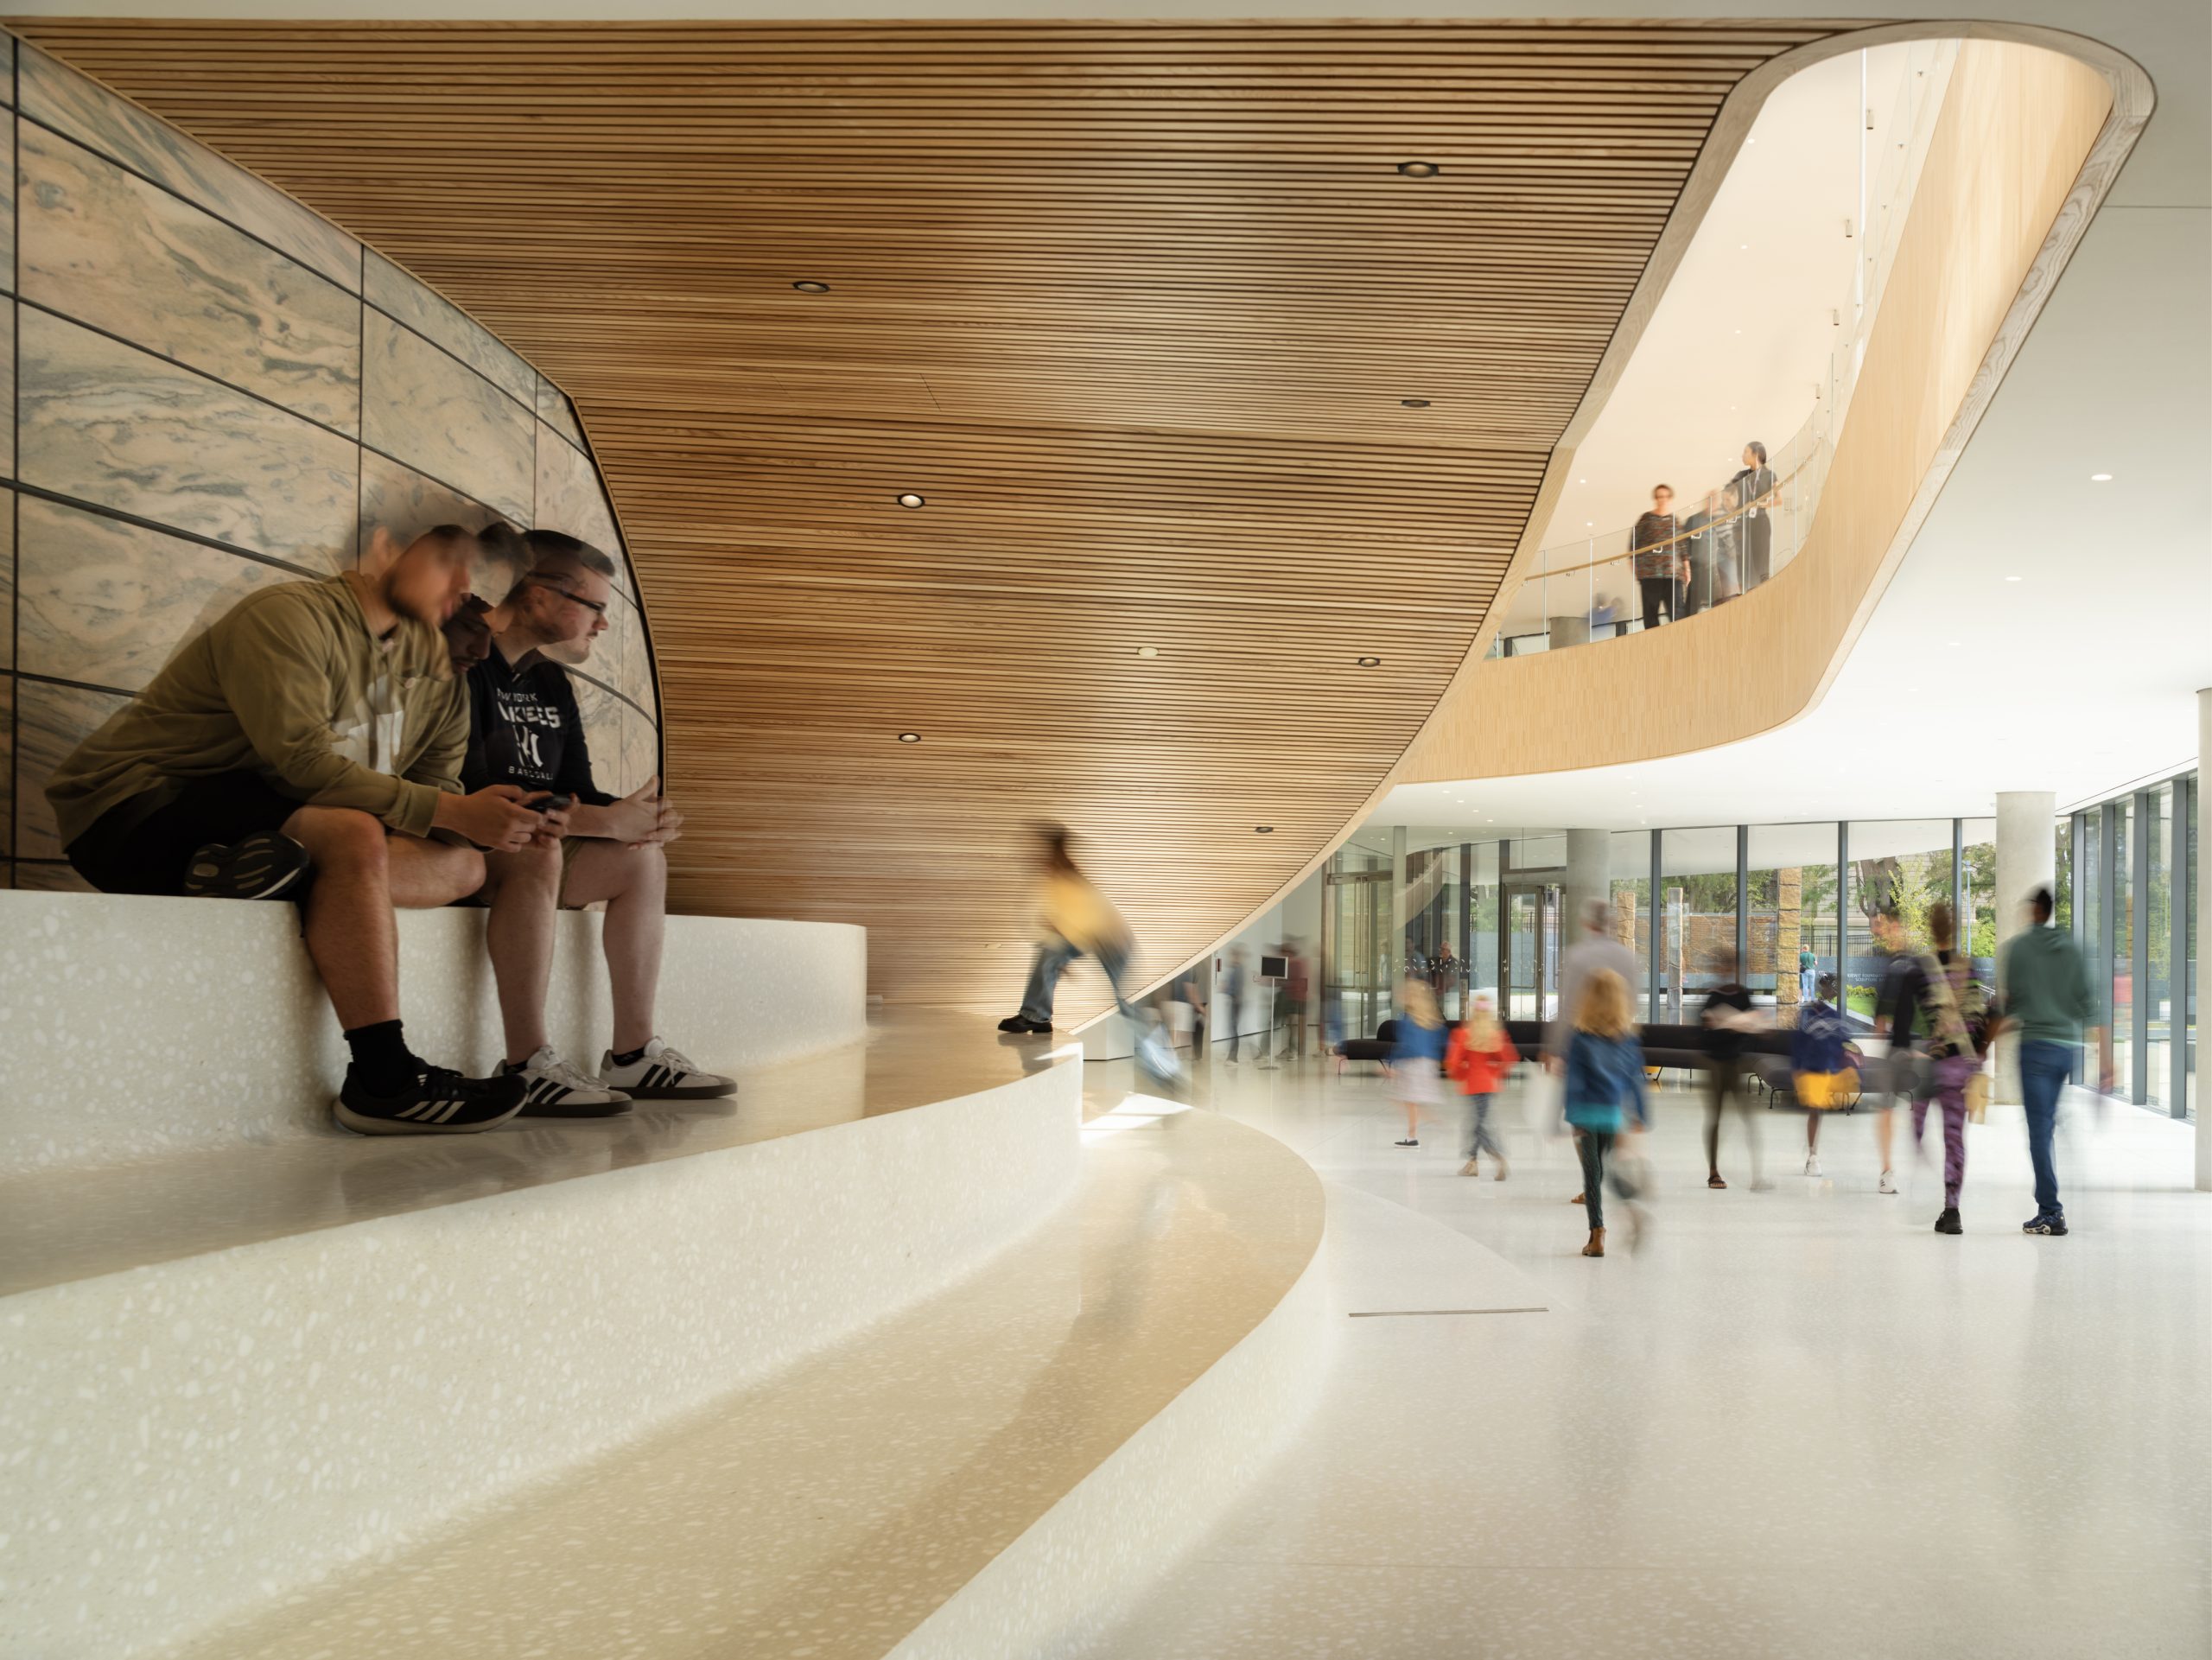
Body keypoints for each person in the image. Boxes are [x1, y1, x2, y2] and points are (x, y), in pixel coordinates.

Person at [46, 526, 541, 1135]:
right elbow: (301, 765)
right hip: (136, 808)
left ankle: (287, 875)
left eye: (492, 623)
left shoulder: (440, 683)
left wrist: (491, 821)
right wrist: (450, 813)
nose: (482, 645)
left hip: (256, 821)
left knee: (466, 865)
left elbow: (437, 801)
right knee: (354, 833)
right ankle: (383, 1079)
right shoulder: (291, 617)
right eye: (467, 613)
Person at [461, 531, 733, 1112]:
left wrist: (637, 821)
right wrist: (608, 820)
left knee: (642, 861)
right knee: (538, 843)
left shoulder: (552, 681)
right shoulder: (466, 662)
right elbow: (467, 793)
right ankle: (527, 1063)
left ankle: (633, 1055)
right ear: (537, 595)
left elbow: (575, 791)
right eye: (595, 607)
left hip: (535, 847)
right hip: (467, 846)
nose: (603, 624)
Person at [1997, 887, 2109, 1237]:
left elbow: (2011, 1006)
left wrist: (1983, 1042)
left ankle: (2050, 1210)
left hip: (2036, 1049)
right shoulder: (2075, 949)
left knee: (2039, 1130)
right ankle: (2048, 1190)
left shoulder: (2018, 950)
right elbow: (2090, 1005)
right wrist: (2107, 1059)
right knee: (2049, 1119)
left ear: (2035, 911)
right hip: (2068, 1050)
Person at [1001, 824, 1136, 1033]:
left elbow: (1084, 920)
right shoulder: (1054, 880)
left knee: (1124, 1001)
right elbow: (1054, 927)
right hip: (1090, 936)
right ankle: (1037, 1016)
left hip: (1112, 938)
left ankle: (1154, 1038)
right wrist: (1058, 959)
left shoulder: (1066, 876)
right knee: (1049, 953)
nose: (1031, 860)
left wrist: (1061, 957)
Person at [1907, 901, 1988, 1235]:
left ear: (1931, 928)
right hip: (1958, 1067)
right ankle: (1951, 1208)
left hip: (1928, 1066)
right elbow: (1980, 1020)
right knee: (1954, 1139)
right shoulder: (1969, 968)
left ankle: (1917, 1178)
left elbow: (1910, 1021)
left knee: (1916, 1128)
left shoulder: (1920, 969)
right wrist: (1978, 1062)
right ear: (1953, 928)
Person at [1564, 969, 1649, 1257]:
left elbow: (1574, 1080)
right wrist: (1640, 1116)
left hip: (1586, 1112)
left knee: (1592, 1173)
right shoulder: (1627, 1038)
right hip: (1614, 1111)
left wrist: (1571, 1115)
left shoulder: (1580, 1037)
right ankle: (1631, 1209)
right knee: (1611, 1168)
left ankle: (1596, 1234)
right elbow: (1636, 1079)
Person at [1699, 946, 1768, 1190]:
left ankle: (1756, 1176)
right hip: (1715, 1062)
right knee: (1716, 1118)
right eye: (1724, 966)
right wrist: (1723, 1026)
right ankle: (1713, 1172)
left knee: (1748, 1117)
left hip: (1735, 1062)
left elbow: (1755, 1027)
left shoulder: (1744, 995)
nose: (1728, 971)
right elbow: (1702, 1033)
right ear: (1720, 969)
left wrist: (1750, 1026)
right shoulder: (1713, 996)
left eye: (1732, 967)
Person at [1866, 906, 1923, 1195]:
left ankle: (1889, 1171)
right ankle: (1888, 1170)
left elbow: (1881, 1020)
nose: (1878, 930)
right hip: (1905, 1046)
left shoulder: (1903, 964)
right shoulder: (1904, 962)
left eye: (1882, 925)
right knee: (1890, 1108)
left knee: (1891, 1109)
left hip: (1907, 1047)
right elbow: (1882, 1018)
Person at [1549, 897, 1640, 1071]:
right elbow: (1633, 1005)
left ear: (1586, 923)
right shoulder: (1628, 958)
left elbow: (1567, 1008)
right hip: (1618, 1043)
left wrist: (1553, 1048)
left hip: (1582, 1045)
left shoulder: (1575, 956)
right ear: (1610, 922)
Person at [1446, 995, 1517, 1178]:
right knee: (1477, 1124)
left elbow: (1453, 1063)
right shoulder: (1495, 1034)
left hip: (1473, 1086)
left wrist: (1461, 1074)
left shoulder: (1464, 1034)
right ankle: (1472, 1164)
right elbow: (1508, 1059)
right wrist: (1494, 1074)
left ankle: (1498, 1157)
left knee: (1478, 1127)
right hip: (1489, 1086)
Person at [1792, 972, 1854, 1175]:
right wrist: (1797, 1068)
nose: (1831, 991)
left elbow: (1842, 1042)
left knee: (1818, 1111)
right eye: (1829, 987)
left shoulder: (1835, 1016)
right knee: (1815, 1110)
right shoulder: (1808, 1014)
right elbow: (1799, 1043)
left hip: (1827, 1069)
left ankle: (1812, 1152)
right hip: (1811, 1069)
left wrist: (1844, 1065)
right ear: (1823, 988)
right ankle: (1812, 1155)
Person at [1390, 977, 1447, 1147]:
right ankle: (1413, 1135)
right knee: (1410, 1100)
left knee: (1403, 1099)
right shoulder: (1429, 1019)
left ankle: (1431, 1121)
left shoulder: (1409, 1020)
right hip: (1426, 1064)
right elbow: (1441, 1038)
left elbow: (1407, 1046)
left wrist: (1392, 1062)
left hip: (1412, 1064)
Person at [1630, 484, 1685, 631]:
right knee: (1650, 615)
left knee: (1678, 614)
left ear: (1670, 498)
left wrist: (1687, 569)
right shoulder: (1646, 519)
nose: (1663, 500)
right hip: (1650, 575)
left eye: (1666, 496)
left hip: (1673, 575)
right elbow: (1633, 545)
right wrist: (1636, 572)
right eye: (1660, 496)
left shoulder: (1675, 521)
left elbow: (1682, 547)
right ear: (1655, 498)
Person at [1731, 441, 1777, 590]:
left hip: (1761, 522)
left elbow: (1778, 500)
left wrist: (1757, 505)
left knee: (1761, 562)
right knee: (1742, 562)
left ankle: (1764, 592)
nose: (1742, 455)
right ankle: (1745, 594)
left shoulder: (1769, 475)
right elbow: (1727, 495)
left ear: (1756, 454)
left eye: (1746, 452)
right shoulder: (1741, 475)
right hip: (1743, 524)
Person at [1279, 938, 1312, 1063]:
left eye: (1284, 952)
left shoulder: (1295, 964)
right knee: (1291, 1026)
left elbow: (1297, 981)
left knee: (1293, 1026)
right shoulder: (1292, 963)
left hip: (1297, 998)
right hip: (1291, 998)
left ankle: (1293, 1051)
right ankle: (1291, 1050)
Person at [1221, 947, 1249, 1064]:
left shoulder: (1238, 969)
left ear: (1236, 956)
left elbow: (1238, 989)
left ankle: (1233, 1057)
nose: (1230, 958)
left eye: (1232, 955)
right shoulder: (1235, 969)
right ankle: (1232, 1056)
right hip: (1234, 1001)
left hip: (1236, 1002)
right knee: (1233, 1029)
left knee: (1233, 1029)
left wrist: (1226, 989)